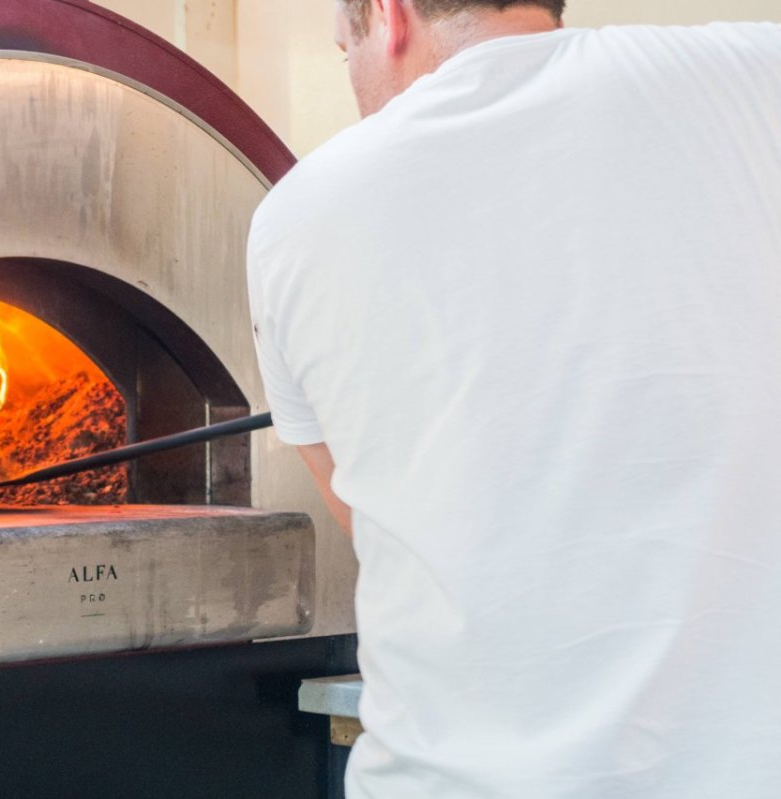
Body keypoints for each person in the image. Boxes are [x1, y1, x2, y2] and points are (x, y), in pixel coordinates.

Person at [246, 0, 781, 796]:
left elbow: (367, 512)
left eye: (342, 52)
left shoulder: (295, 217)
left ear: (388, 17)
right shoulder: (755, 75)